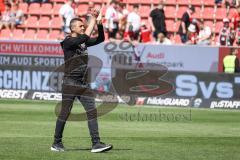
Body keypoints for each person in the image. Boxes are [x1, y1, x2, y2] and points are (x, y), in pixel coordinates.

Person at [51, 8, 113, 153]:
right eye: (81, 26)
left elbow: (100, 39)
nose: (83, 27)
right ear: (73, 28)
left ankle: (96, 143)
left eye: (83, 26)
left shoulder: (82, 41)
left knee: (92, 112)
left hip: (83, 84)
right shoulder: (68, 42)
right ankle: (56, 143)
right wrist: (92, 18)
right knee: (65, 113)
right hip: (69, 83)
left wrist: (99, 23)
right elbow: (84, 37)